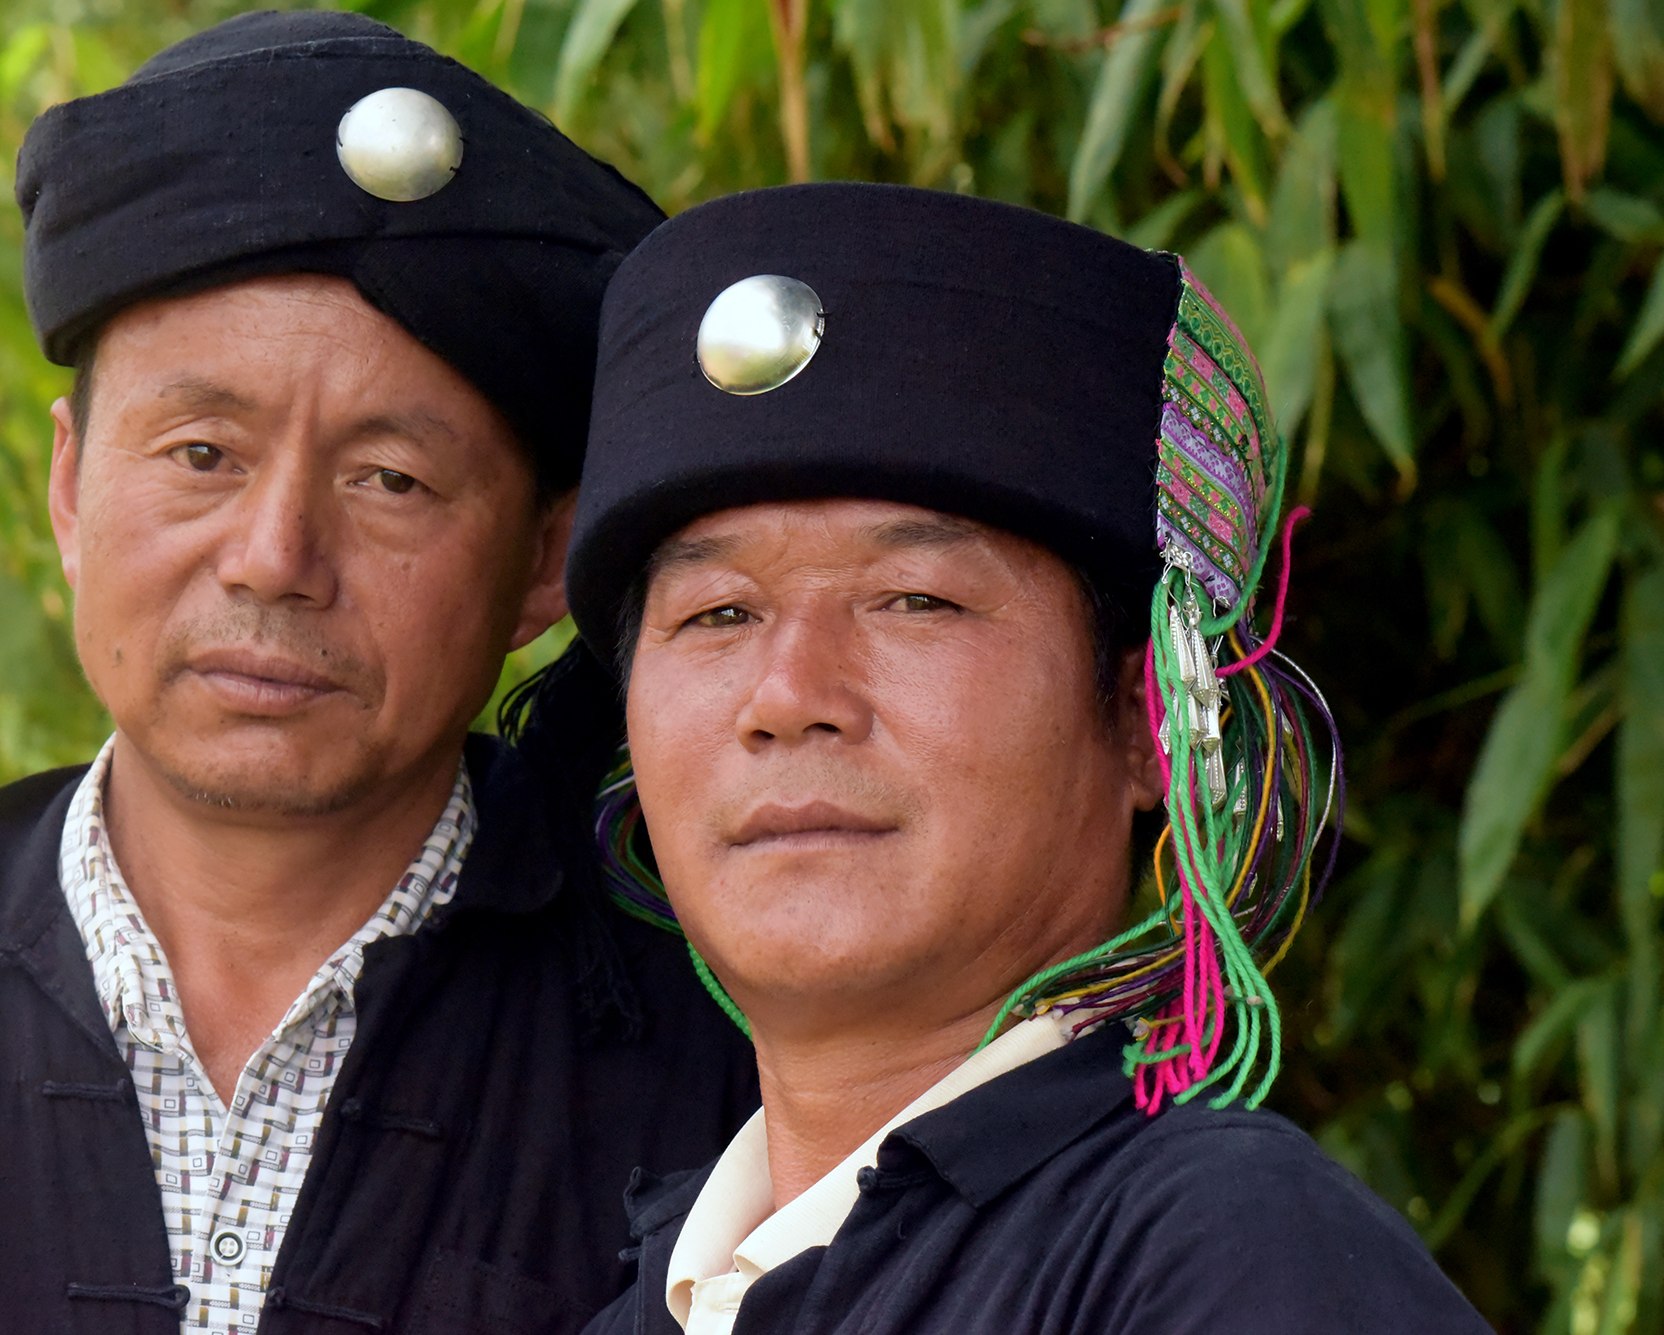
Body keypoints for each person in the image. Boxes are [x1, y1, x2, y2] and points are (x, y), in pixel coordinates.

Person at [0, 13, 756, 1335]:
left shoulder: (736, 1076)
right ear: (72, 485)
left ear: (544, 558)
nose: (273, 557)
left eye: (391, 479)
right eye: (202, 453)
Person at [559, 183, 1494, 1333]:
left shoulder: (1224, 1257)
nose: (787, 696)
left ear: (1147, 718)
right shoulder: (651, 1305)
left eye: (912, 600)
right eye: (715, 615)